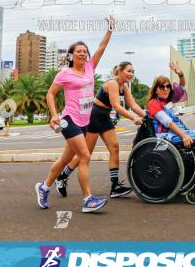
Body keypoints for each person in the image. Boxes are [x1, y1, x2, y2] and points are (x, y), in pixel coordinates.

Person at [36, 17, 114, 213]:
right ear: (71, 55)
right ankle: (88, 199)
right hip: (68, 119)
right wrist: (54, 114)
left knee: (64, 160)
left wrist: (110, 30)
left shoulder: (89, 67)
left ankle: (43, 187)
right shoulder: (65, 73)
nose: (83, 54)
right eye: (78, 51)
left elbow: (101, 48)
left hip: (85, 121)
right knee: (85, 156)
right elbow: (50, 94)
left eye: (85, 51)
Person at [55, 61, 147, 198]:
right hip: (94, 116)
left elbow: (133, 105)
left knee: (115, 148)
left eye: (133, 71)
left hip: (104, 117)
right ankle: (62, 177)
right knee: (86, 154)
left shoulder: (124, 86)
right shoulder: (112, 83)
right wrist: (133, 118)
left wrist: (148, 117)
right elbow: (116, 106)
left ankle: (115, 187)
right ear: (120, 71)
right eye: (129, 71)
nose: (131, 74)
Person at [146, 74, 195, 186]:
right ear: (156, 89)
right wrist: (184, 136)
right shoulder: (153, 103)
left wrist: (181, 75)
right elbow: (168, 123)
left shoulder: (168, 102)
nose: (166, 89)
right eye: (162, 87)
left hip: (176, 132)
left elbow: (181, 90)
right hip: (165, 136)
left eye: (168, 86)